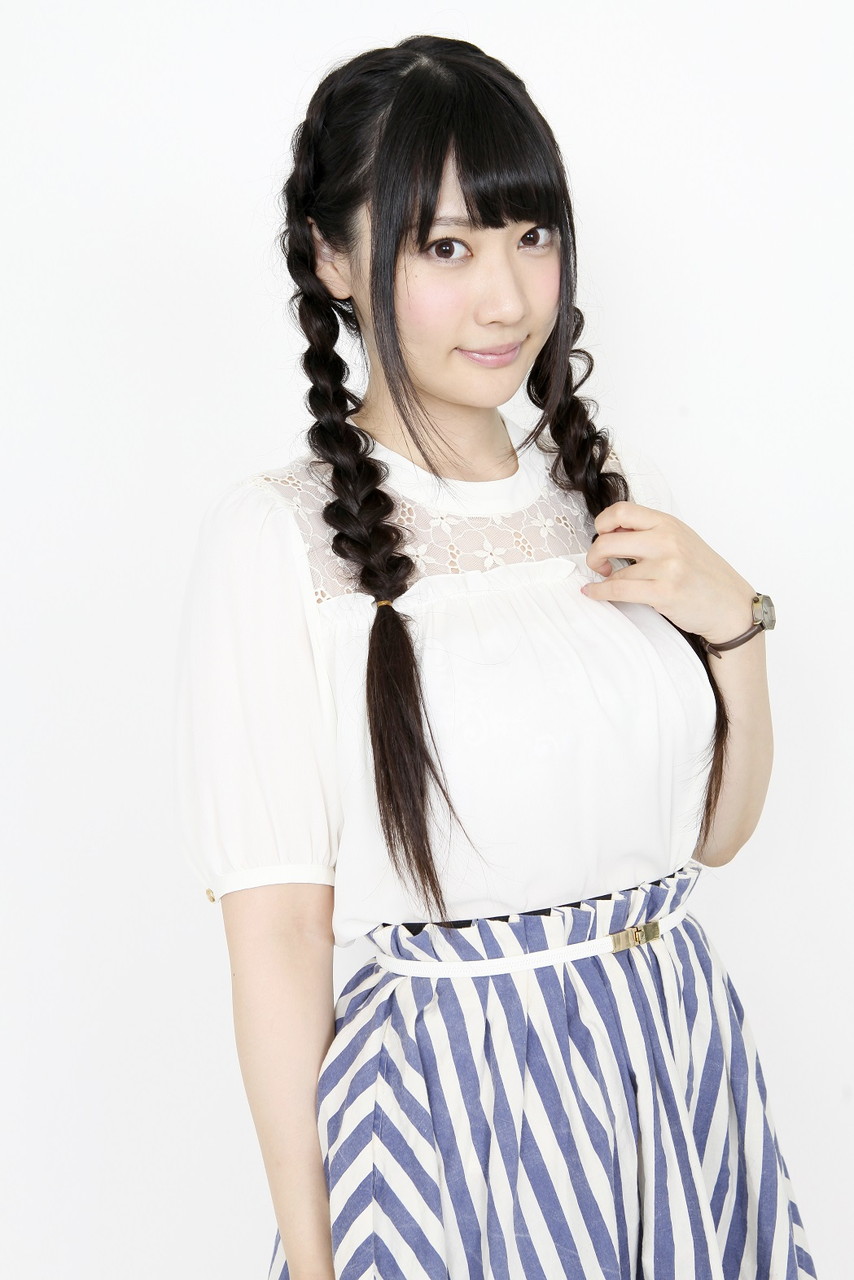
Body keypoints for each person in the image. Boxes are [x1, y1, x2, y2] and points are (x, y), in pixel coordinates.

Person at [173, 33, 817, 1280]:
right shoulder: (278, 537)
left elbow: (712, 840)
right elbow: (279, 939)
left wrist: (733, 625)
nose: (509, 300)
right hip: (457, 1111)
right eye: (445, 247)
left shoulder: (605, 488)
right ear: (333, 260)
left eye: (530, 236)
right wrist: (316, 1258)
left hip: (677, 1070)